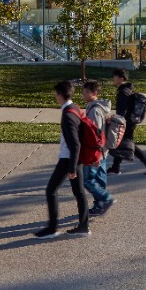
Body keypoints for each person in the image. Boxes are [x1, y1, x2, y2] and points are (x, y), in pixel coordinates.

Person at [34, 80, 90, 238]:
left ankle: (52, 229)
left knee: (51, 190)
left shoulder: (68, 115)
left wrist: (72, 167)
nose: (55, 97)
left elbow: (75, 144)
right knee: (79, 192)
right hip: (75, 158)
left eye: (56, 94)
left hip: (68, 159)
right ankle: (84, 226)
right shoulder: (75, 108)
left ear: (60, 95)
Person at [109, 68, 146, 176]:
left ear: (121, 78)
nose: (113, 79)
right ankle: (115, 167)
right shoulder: (126, 90)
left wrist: (118, 120)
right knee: (123, 143)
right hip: (129, 121)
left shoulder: (123, 92)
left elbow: (123, 109)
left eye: (114, 76)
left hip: (127, 122)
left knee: (125, 143)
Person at [81, 79, 115, 217]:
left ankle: (104, 201)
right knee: (99, 178)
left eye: (86, 92)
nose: (83, 94)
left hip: (96, 151)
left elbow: (95, 133)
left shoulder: (95, 110)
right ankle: (100, 204)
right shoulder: (96, 107)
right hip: (101, 149)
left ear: (94, 93)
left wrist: (95, 154)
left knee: (90, 180)